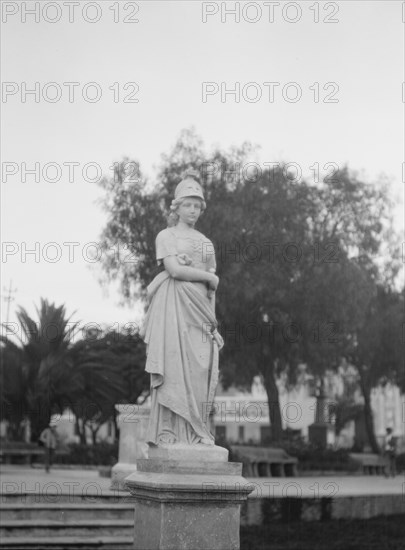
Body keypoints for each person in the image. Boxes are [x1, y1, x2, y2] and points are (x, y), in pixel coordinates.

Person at [140, 169, 224, 447]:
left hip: (200, 314)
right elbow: (174, 270)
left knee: (201, 372)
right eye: (187, 204)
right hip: (174, 309)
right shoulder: (166, 236)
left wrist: (213, 326)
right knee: (174, 370)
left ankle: (198, 433)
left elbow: (211, 295)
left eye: (197, 206)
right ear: (176, 207)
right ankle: (170, 434)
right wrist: (209, 276)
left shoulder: (206, 243)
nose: (193, 210)